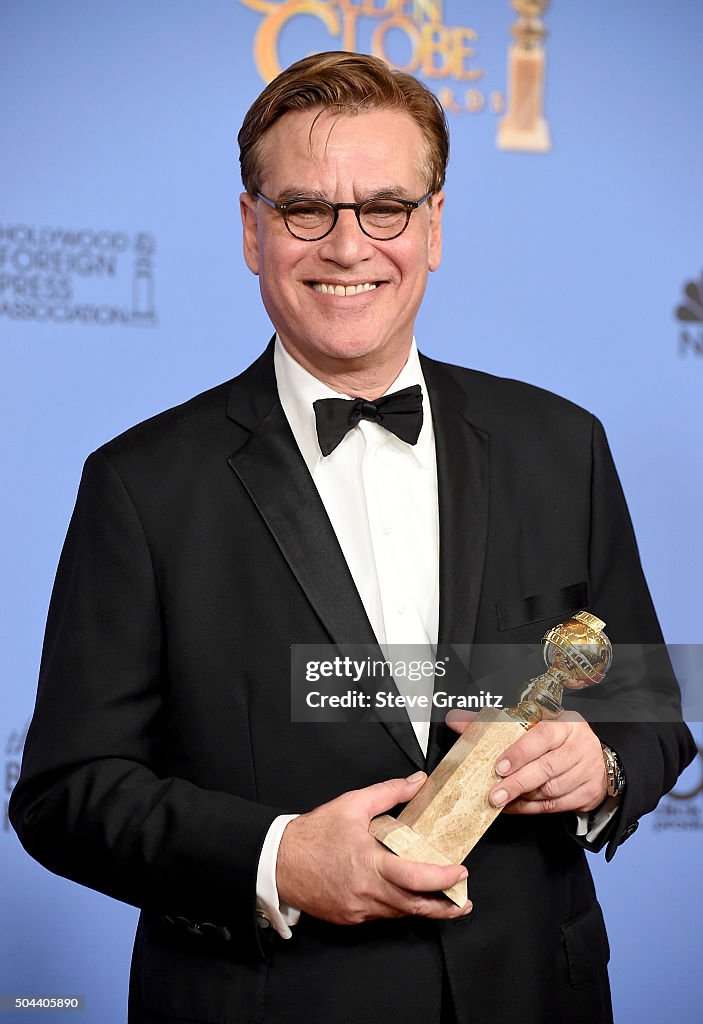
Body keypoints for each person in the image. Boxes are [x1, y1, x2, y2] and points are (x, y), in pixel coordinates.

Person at [10, 51, 695, 1024]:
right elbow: (66, 792)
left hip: (533, 993)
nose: (347, 245)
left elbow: (648, 707)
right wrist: (276, 857)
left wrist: (603, 765)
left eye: (384, 207)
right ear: (252, 229)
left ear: (433, 224)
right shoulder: (140, 484)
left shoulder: (560, 443)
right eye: (305, 210)